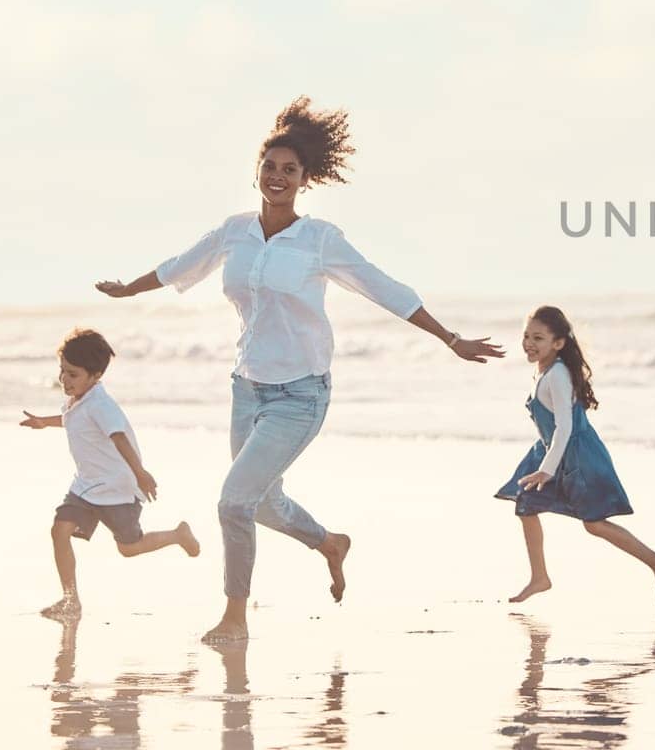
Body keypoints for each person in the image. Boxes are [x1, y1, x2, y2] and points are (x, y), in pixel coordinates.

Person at [95, 97, 503, 643]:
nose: (278, 177)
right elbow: (180, 265)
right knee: (262, 503)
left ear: (305, 179)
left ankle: (234, 617)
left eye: (290, 170)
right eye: (270, 168)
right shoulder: (234, 231)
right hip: (247, 388)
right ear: (257, 173)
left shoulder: (320, 240)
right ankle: (330, 543)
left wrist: (449, 337)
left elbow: (384, 288)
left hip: (301, 396)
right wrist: (128, 289)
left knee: (233, 501)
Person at [494, 306, 655, 603]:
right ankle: (540, 577)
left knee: (594, 523)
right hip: (551, 451)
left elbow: (565, 426)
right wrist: (546, 462)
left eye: (538, 338)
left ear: (558, 343)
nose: (528, 343)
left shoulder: (557, 375)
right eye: (526, 336)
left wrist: (547, 469)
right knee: (526, 504)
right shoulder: (543, 371)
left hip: (577, 457)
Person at [20, 328, 200, 619]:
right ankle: (70, 600)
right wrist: (44, 422)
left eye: (73, 374)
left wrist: (140, 473)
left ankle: (178, 535)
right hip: (86, 486)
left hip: (118, 488)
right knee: (59, 530)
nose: (64, 380)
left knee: (129, 548)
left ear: (95, 376)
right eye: (62, 371)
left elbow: (118, 436)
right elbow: (72, 420)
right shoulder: (77, 400)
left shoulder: (101, 404)